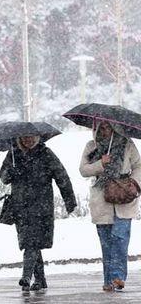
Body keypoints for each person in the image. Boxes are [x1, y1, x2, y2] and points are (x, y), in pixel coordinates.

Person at [0, 135, 77, 292]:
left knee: (31, 243)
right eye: (24, 137)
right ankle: (40, 280)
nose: (27, 140)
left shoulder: (46, 153)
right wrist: (11, 171)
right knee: (31, 242)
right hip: (20, 207)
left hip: (41, 207)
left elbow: (61, 176)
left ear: (37, 138)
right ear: (19, 139)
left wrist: (70, 200)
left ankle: (26, 276)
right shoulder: (13, 154)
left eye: (31, 137)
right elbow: (3, 177)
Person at [79, 121, 141, 292]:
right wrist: (101, 164)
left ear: (114, 128)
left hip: (124, 196)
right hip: (102, 199)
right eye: (102, 127)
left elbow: (138, 166)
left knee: (120, 239)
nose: (105, 130)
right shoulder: (92, 146)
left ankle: (118, 278)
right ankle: (108, 280)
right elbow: (83, 170)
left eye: (108, 127)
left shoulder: (127, 143)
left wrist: (134, 183)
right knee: (106, 243)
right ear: (96, 129)